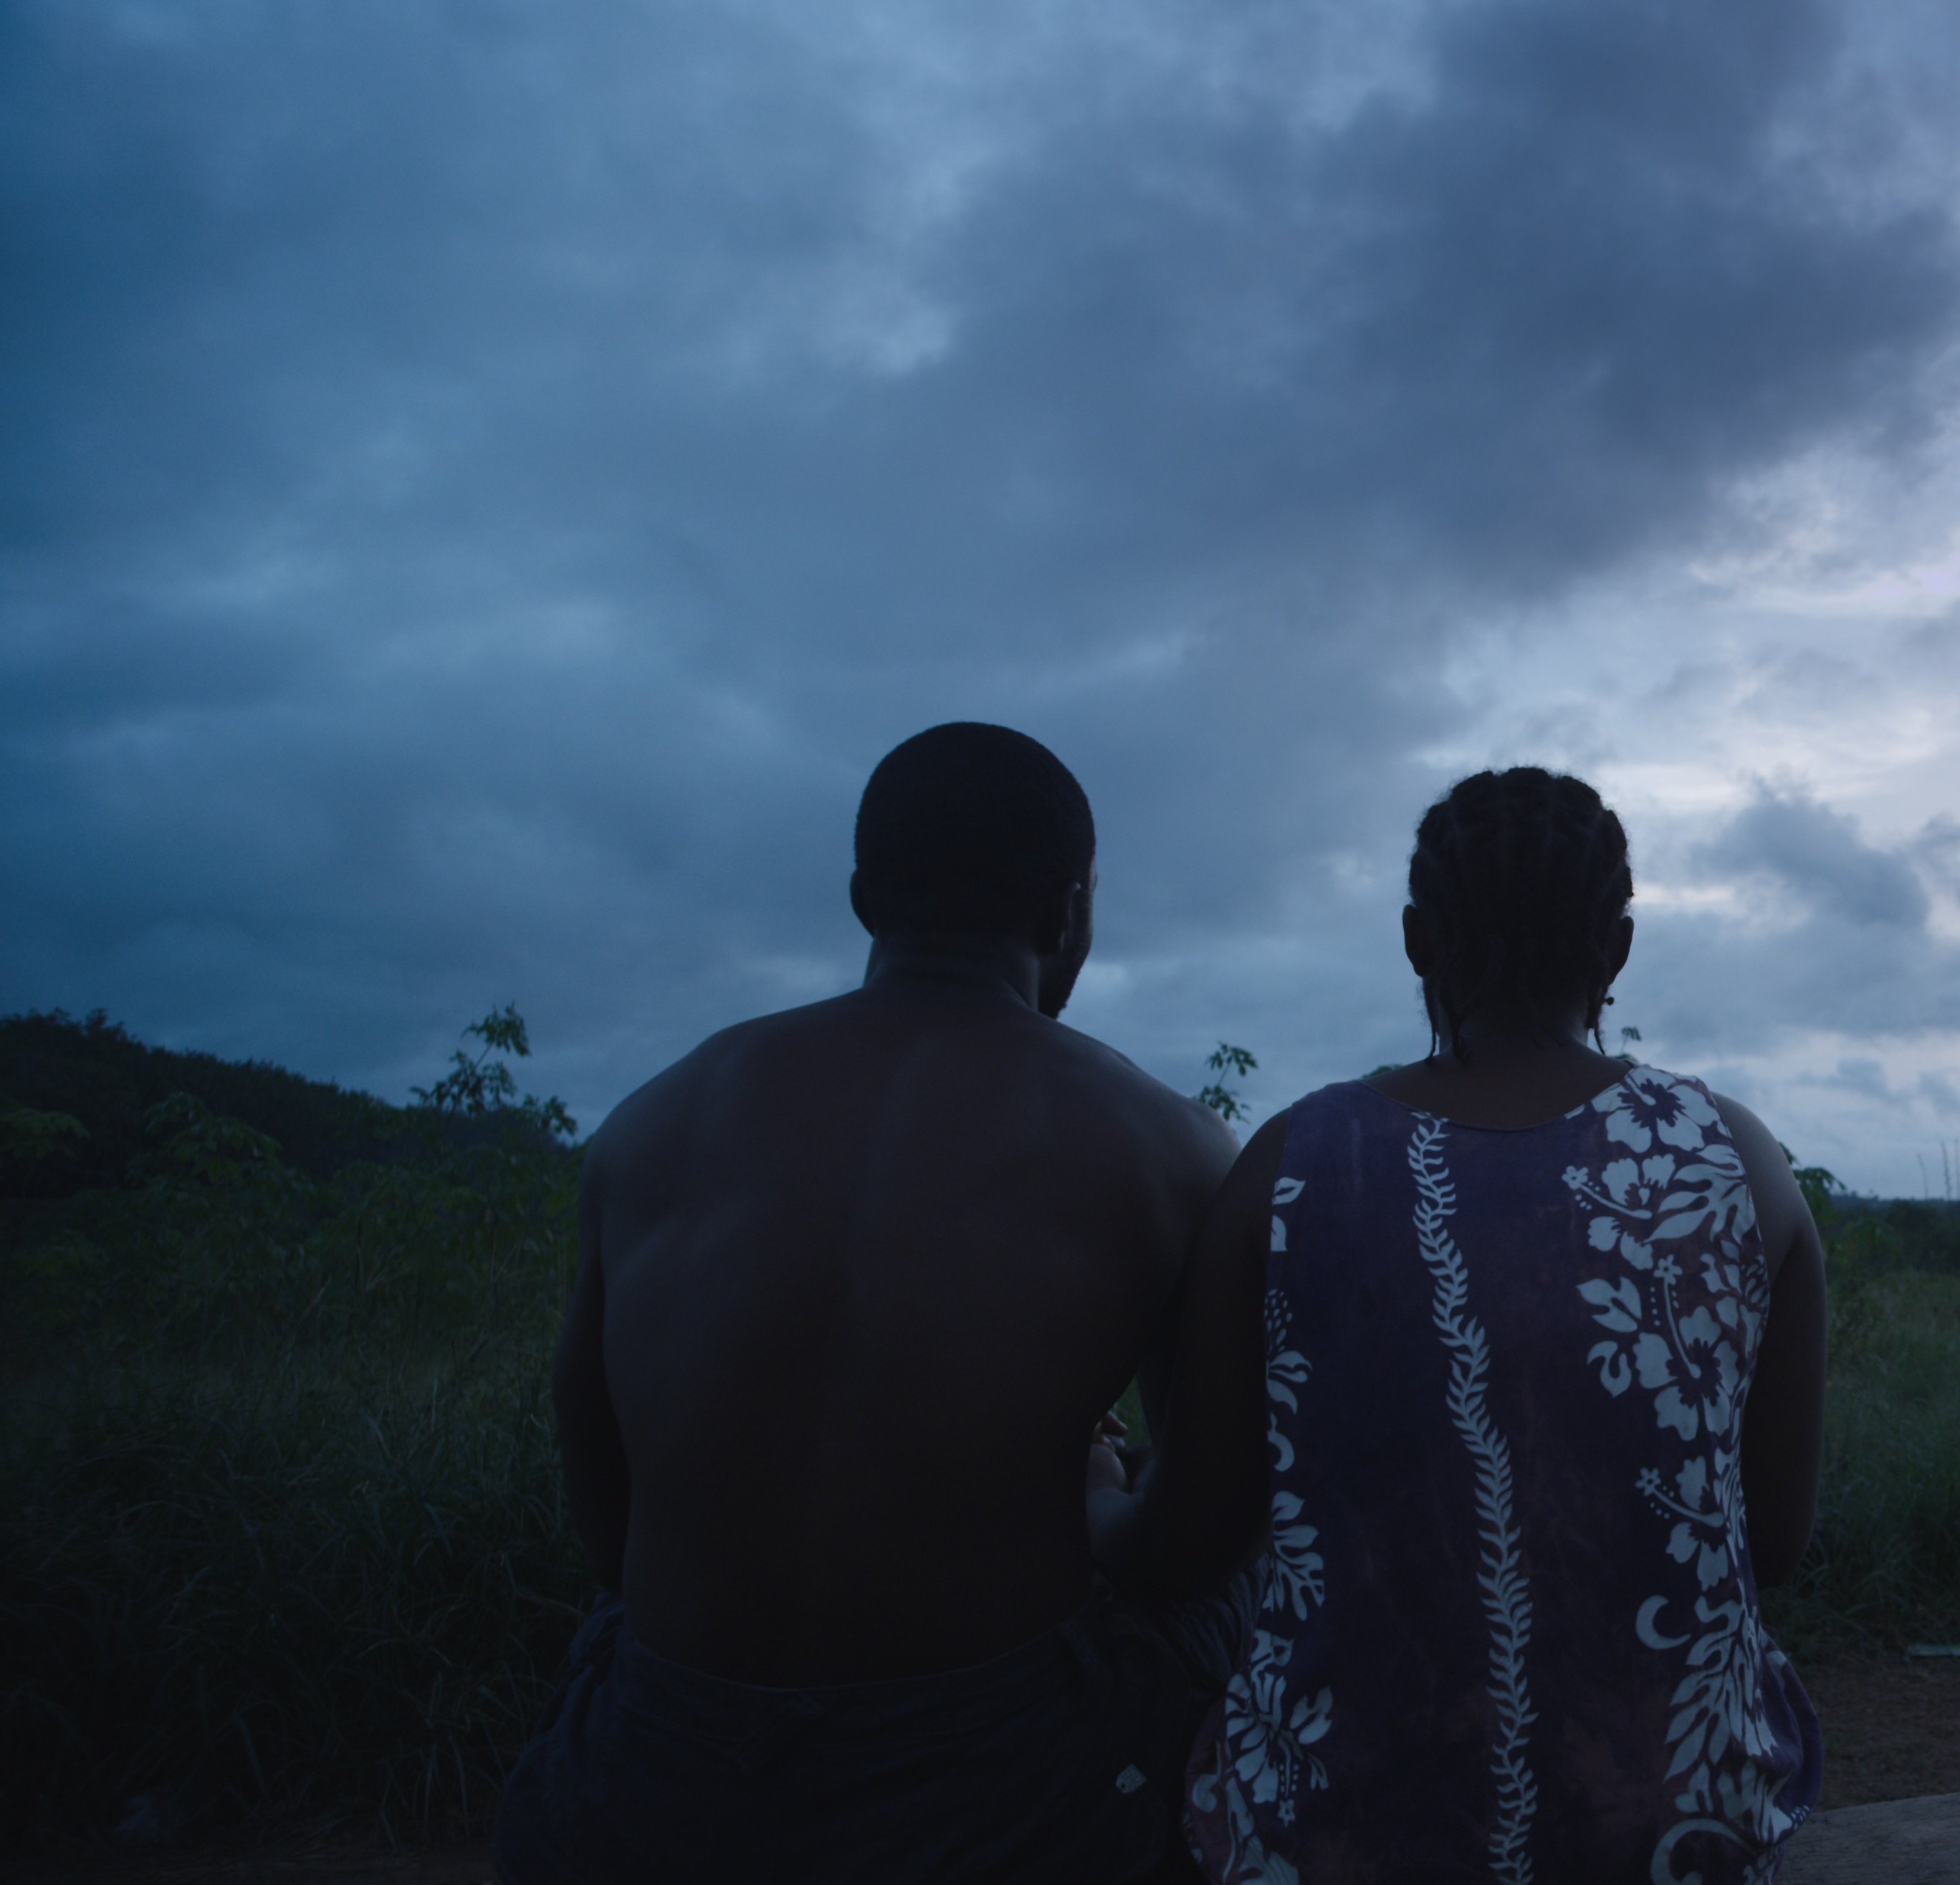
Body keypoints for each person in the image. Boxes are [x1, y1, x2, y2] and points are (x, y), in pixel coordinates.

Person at [494, 723, 1263, 1884]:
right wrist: (1099, 1498)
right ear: (1068, 914)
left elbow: (608, 1527)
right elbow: (1193, 1543)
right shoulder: (1171, 1151)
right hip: (991, 1790)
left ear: (864, 901)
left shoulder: (656, 1121)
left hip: (656, 1776)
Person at [1177, 767, 1829, 1884]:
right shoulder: (1736, 1161)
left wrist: (1095, 1511)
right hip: (1675, 1837)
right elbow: (1773, 1545)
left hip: (1340, 1842)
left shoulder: (1291, 1163)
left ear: (1418, 942)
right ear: (1615, 950)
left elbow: (1193, 1538)